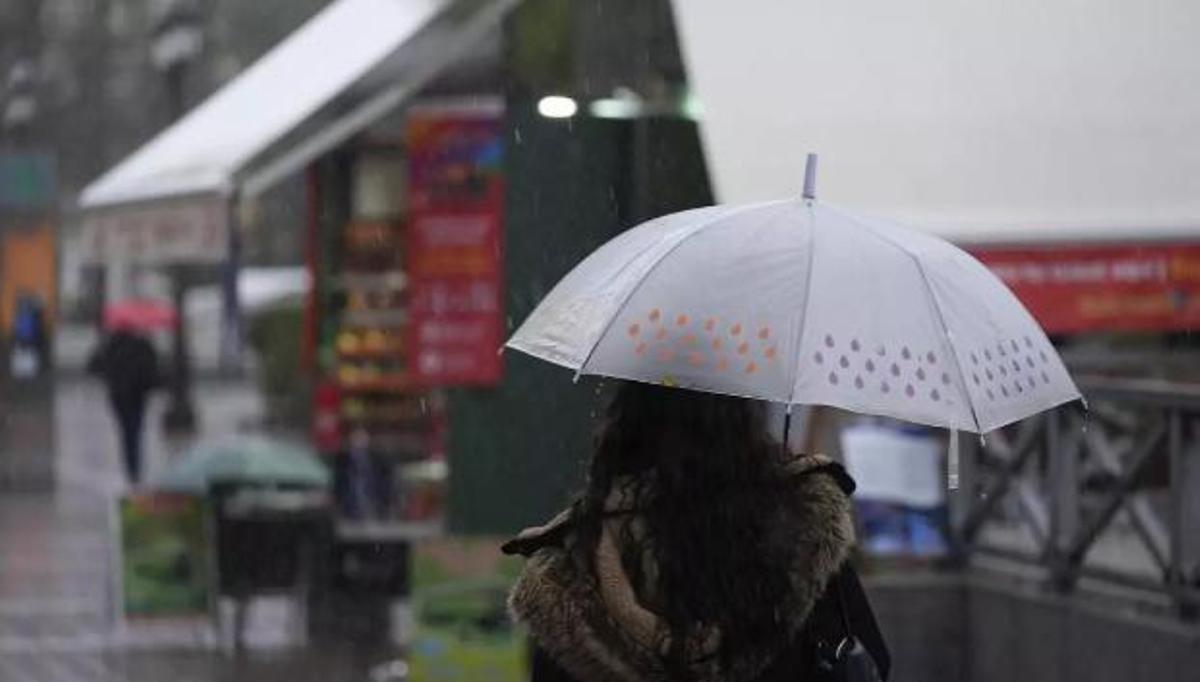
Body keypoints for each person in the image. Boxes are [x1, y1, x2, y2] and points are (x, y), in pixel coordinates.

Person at [503, 381, 890, 682]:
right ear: (746, 425)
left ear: (625, 427)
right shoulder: (801, 531)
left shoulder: (573, 566)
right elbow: (870, 661)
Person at [88, 329, 162, 484]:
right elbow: (154, 369)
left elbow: (94, 366)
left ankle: (131, 466)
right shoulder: (143, 344)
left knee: (126, 431)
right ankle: (135, 466)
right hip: (138, 395)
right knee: (135, 431)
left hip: (119, 396)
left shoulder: (111, 344)